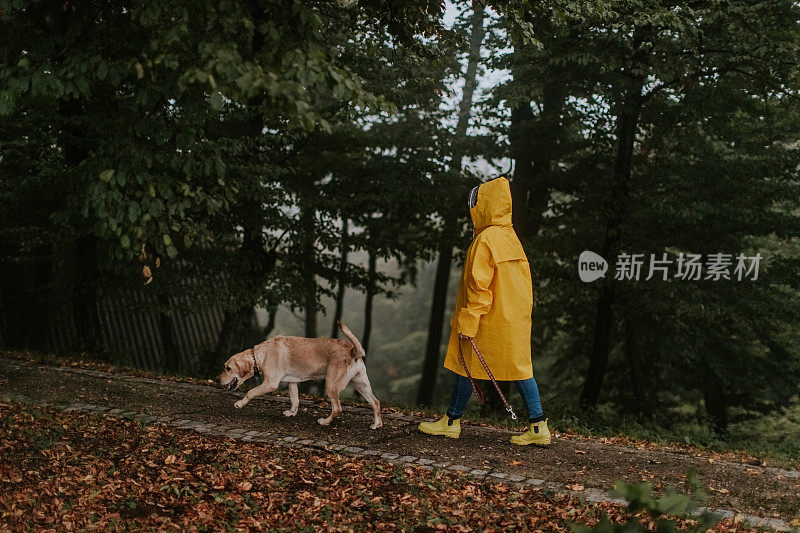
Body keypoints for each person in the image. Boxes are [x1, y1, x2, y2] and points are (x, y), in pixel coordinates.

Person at [418, 177, 550, 446]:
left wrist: (468, 320)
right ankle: (538, 427)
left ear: (485, 206)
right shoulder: (511, 238)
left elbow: (479, 288)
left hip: (486, 318)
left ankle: (451, 422)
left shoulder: (485, 240)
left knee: (466, 364)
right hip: (513, 320)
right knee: (521, 368)